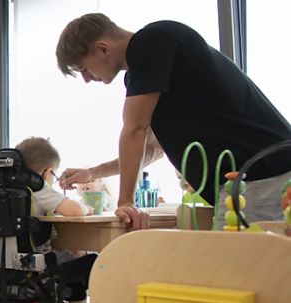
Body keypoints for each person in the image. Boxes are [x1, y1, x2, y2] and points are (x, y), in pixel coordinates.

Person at [55, 13, 291, 229]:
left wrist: (125, 200)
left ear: (103, 49)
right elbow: (150, 148)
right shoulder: (153, 63)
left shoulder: (152, 42)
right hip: (258, 178)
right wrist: (93, 173)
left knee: (238, 270)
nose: (86, 79)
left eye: (83, 68)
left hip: (261, 176)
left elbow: (135, 129)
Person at [15, 137, 96, 303]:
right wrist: (87, 207)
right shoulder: (37, 189)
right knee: (93, 260)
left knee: (70, 254)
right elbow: (76, 210)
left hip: (2, 274)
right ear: (46, 173)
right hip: (35, 275)